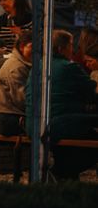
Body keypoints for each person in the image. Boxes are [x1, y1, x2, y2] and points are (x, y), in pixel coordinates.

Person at [27, 29, 98, 180]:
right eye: (70, 46)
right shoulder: (69, 67)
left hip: (33, 124)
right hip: (57, 124)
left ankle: (64, 174)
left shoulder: (36, 67)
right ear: (60, 49)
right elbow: (92, 92)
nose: (73, 51)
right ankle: (61, 171)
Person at [0, 30, 32, 136]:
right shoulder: (16, 67)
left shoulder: (22, 64)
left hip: (12, 116)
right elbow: (22, 99)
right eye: (32, 47)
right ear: (22, 46)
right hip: (9, 120)